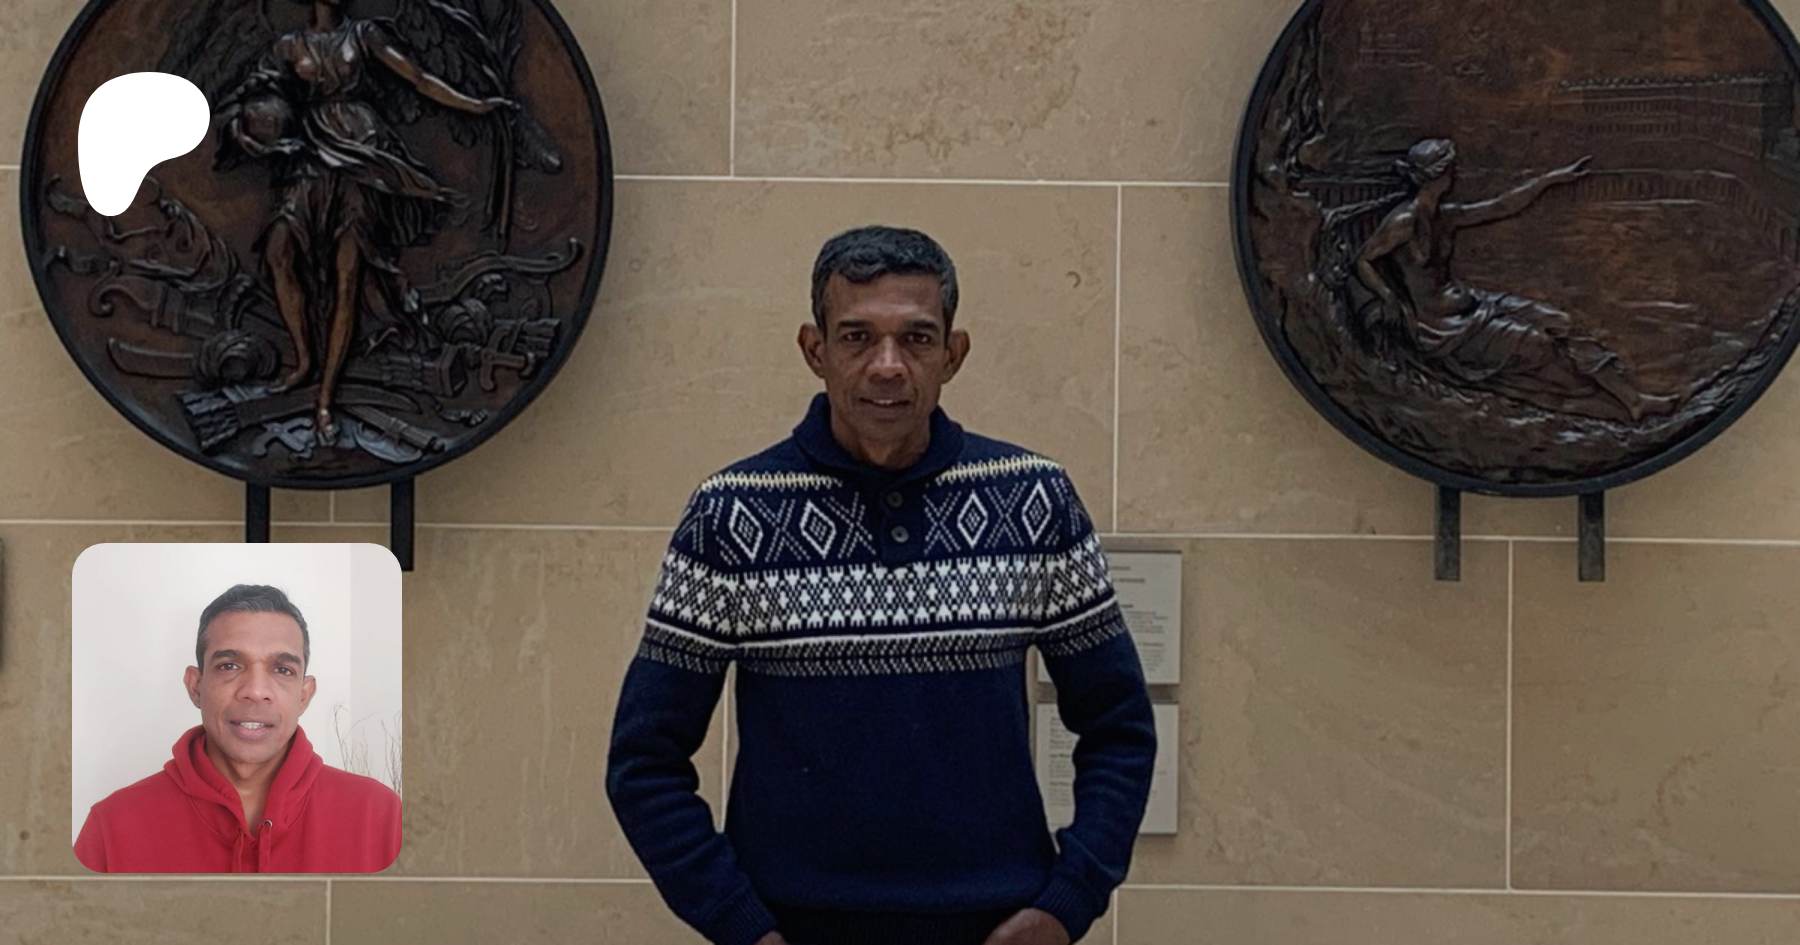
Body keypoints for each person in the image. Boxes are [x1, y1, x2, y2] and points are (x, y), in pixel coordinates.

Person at [606, 226, 1158, 945]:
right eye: (858, 337)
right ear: (815, 350)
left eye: (917, 338)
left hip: (995, 924)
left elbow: (1119, 726)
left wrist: (1069, 900)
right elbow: (644, 760)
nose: (888, 366)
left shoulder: (1034, 500)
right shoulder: (731, 514)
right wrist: (738, 923)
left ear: (953, 354)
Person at [73, 584, 401, 873]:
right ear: (195, 686)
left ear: (304, 695)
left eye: (282, 670)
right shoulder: (111, 827)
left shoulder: (381, 817)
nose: (255, 690)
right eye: (229, 665)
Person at [1352, 138, 1674, 422]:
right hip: (1443, 327)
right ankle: (1590, 403)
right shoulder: (1404, 221)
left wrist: (1549, 180)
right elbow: (1363, 259)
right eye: (1451, 167)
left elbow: (1500, 206)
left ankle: (1635, 401)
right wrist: (1387, 296)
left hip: (1473, 303)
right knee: (1539, 345)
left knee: (1561, 322)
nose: (1456, 172)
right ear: (1439, 174)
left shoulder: (1445, 215)